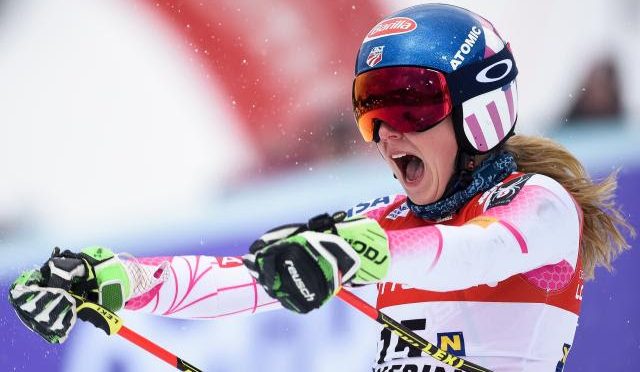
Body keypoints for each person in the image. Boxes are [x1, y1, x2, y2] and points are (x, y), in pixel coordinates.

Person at [9, 4, 634, 371]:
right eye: (373, 111)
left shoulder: (539, 206)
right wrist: (115, 281)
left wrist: (355, 251)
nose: (389, 134)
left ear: (480, 106)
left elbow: (472, 252)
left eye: (412, 106)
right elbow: (242, 280)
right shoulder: (388, 220)